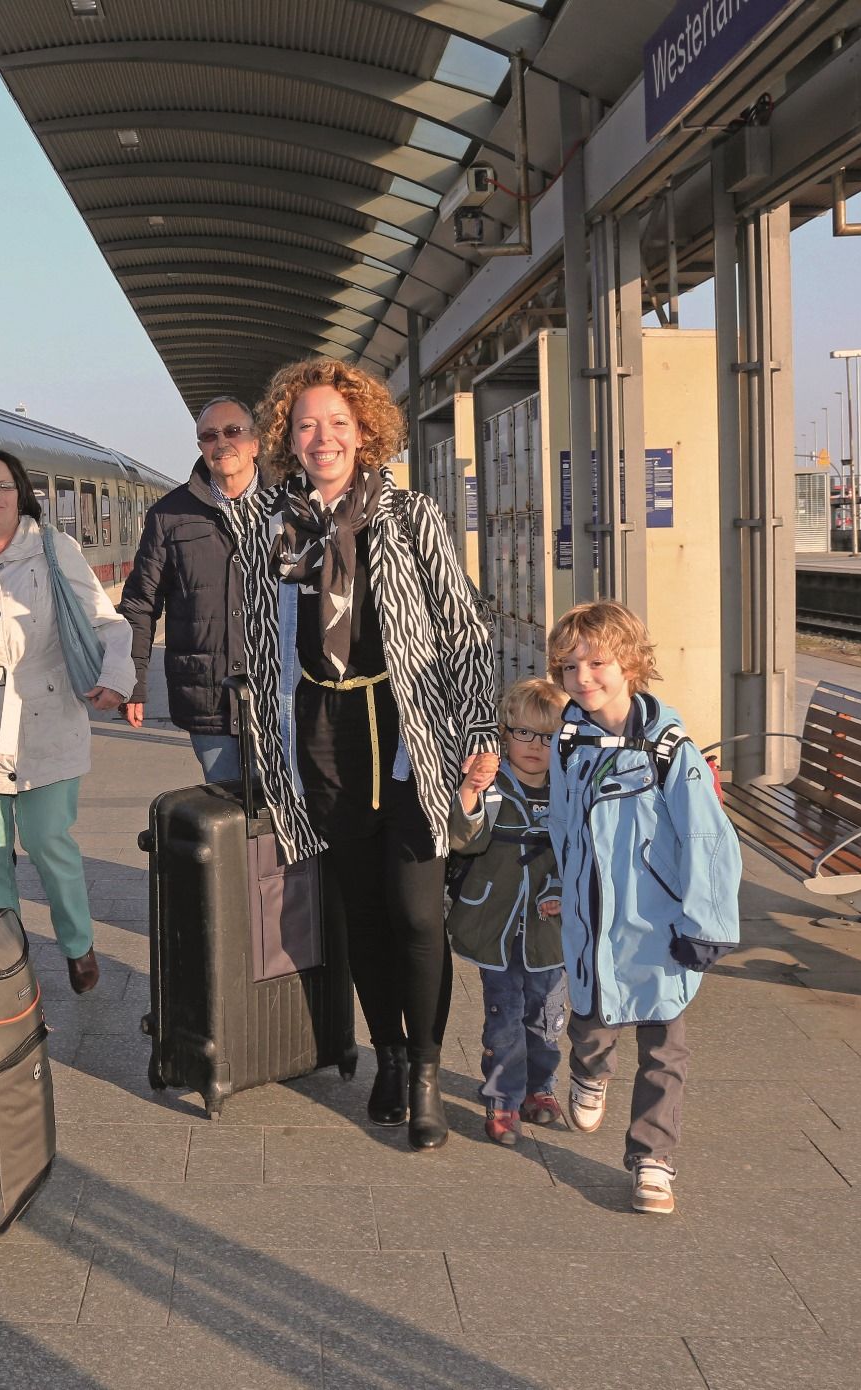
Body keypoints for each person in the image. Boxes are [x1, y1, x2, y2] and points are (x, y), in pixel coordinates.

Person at [223, 357, 499, 1150]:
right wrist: (257, 740)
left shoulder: (410, 516)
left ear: (364, 431)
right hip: (321, 733)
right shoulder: (271, 526)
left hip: (407, 726)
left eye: (338, 423)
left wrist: (478, 733)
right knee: (361, 912)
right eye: (307, 424)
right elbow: (256, 642)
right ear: (287, 436)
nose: (323, 437)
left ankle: (425, 1076)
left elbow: (464, 629)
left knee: (416, 911)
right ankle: (389, 1052)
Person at [545, 600, 741, 1215]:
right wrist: (562, 882)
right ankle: (589, 1070)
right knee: (591, 1018)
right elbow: (561, 822)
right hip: (589, 919)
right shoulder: (569, 740)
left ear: (630, 663)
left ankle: (652, 1160)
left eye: (597, 662)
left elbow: (708, 839)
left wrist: (707, 922)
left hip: (659, 924)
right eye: (569, 667)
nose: (584, 678)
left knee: (664, 1045)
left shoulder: (668, 749)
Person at [0, 448, 131, 995]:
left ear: (20, 496)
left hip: (47, 719)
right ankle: (9, 966)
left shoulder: (54, 551)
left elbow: (106, 622)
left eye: (3, 485)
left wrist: (117, 677)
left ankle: (77, 943)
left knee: (49, 841)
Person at [447, 677, 569, 1148]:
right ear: (504, 733)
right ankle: (502, 1099)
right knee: (504, 1016)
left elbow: (576, 851)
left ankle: (540, 1088)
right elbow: (466, 840)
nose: (534, 746)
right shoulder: (494, 783)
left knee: (545, 1016)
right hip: (495, 921)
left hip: (548, 929)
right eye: (522, 733)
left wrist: (557, 888)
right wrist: (471, 793)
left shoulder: (566, 790)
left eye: (547, 737)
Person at [117, 395, 261, 781]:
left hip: (280, 697)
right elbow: (140, 604)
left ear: (255, 443)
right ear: (200, 446)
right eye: (209, 435)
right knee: (227, 820)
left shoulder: (288, 508)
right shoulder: (168, 515)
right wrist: (132, 680)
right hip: (207, 696)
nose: (221, 442)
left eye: (233, 431)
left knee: (288, 820)